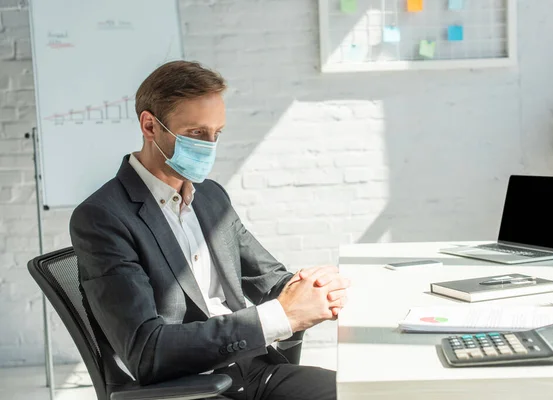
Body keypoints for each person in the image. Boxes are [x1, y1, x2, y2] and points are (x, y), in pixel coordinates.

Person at [69, 60, 350, 400]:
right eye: (196, 133)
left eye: (216, 133)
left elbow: (269, 280)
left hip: (252, 370)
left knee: (368, 393)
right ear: (149, 125)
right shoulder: (102, 218)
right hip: (183, 388)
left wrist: (321, 289)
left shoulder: (211, 198)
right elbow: (147, 351)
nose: (209, 145)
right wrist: (280, 316)